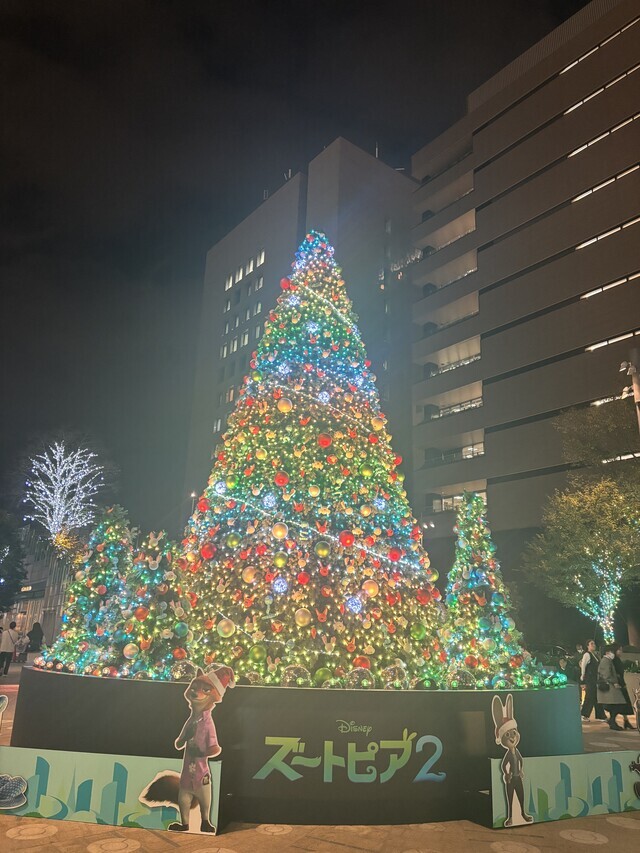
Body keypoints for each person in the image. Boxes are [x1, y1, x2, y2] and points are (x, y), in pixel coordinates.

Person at [597, 644, 629, 731]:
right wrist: (614, 682)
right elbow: (606, 674)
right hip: (610, 687)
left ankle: (612, 721)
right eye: (611, 652)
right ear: (607, 652)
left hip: (612, 687)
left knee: (615, 705)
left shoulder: (608, 660)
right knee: (618, 704)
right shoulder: (606, 661)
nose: (613, 654)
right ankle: (612, 721)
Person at [580, 639, 607, 722]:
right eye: (591, 644)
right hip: (590, 679)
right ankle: (584, 714)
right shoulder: (587, 655)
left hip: (596, 679)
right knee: (590, 696)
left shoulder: (595, 655)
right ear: (587, 646)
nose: (593, 645)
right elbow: (583, 667)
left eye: (594, 643)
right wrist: (582, 679)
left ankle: (600, 716)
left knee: (597, 697)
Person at [611, 643, 634, 730]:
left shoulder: (618, 659)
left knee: (624, 703)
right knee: (619, 704)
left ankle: (626, 720)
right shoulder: (613, 660)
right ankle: (612, 720)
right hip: (618, 684)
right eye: (619, 650)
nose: (621, 651)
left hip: (621, 683)